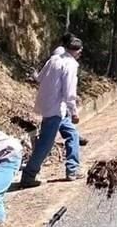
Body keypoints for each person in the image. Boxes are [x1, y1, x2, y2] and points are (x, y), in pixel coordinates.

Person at [20, 37, 83, 187]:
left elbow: (39, 78)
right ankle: (28, 177)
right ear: (77, 51)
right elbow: (69, 92)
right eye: (80, 51)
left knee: (72, 134)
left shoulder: (54, 59)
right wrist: (74, 112)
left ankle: (72, 170)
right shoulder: (71, 64)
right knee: (45, 145)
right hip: (56, 109)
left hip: (52, 107)